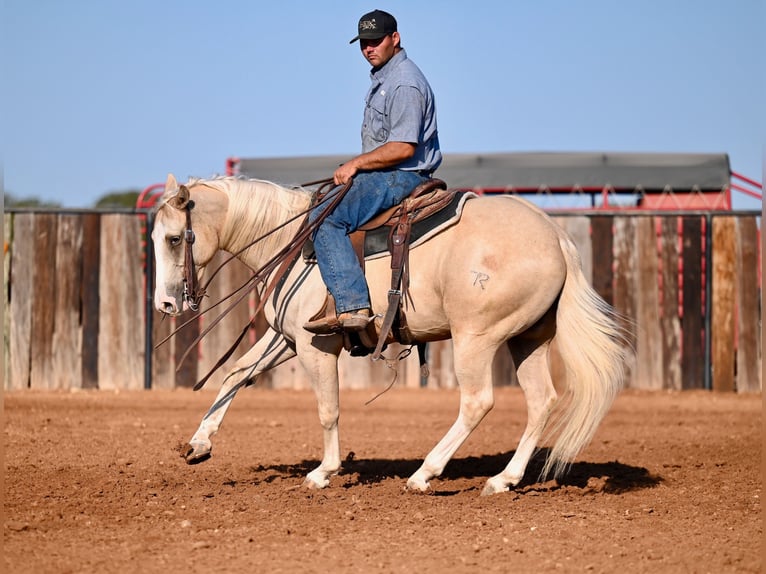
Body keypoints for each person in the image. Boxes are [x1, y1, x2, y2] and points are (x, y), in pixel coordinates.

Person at [304, 9, 442, 335]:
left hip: (403, 175)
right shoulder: (384, 79)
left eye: (376, 41)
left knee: (326, 217)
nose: (369, 49)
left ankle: (352, 305)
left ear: (395, 38)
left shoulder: (404, 83)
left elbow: (403, 148)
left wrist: (355, 164)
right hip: (390, 173)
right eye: (364, 43)